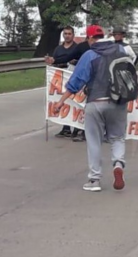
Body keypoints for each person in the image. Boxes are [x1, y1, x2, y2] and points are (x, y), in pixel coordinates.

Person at [53, 25, 129, 192]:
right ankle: (118, 164)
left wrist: (60, 102)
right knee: (117, 138)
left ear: (89, 39)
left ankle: (94, 180)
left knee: (94, 141)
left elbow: (76, 82)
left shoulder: (89, 55)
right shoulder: (121, 52)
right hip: (118, 102)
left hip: (95, 102)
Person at [46, 26, 86, 141]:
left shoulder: (77, 48)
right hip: (60, 79)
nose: (67, 35)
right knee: (64, 102)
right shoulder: (58, 49)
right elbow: (54, 62)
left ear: (73, 35)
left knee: (76, 102)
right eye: (65, 33)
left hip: (74, 78)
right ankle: (66, 127)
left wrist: (75, 62)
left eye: (69, 33)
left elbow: (83, 61)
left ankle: (78, 126)